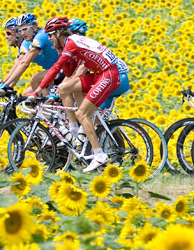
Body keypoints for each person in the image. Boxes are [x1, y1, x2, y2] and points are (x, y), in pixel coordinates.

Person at [31, 16, 127, 172]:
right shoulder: (69, 44)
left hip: (109, 74)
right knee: (64, 88)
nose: (49, 39)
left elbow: (56, 69)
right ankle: (74, 130)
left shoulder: (72, 42)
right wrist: (58, 49)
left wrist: (37, 91)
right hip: (99, 74)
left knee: (82, 114)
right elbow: (68, 71)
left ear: (58, 33)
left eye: (50, 35)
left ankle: (99, 155)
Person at [0, 13, 59, 92]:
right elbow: (19, 64)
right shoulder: (25, 43)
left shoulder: (41, 35)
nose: (23, 33)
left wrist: (5, 86)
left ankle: (49, 102)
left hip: (62, 69)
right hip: (52, 71)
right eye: (20, 30)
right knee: (26, 94)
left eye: (25, 29)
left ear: (34, 27)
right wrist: (4, 85)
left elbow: (25, 63)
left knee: (35, 80)